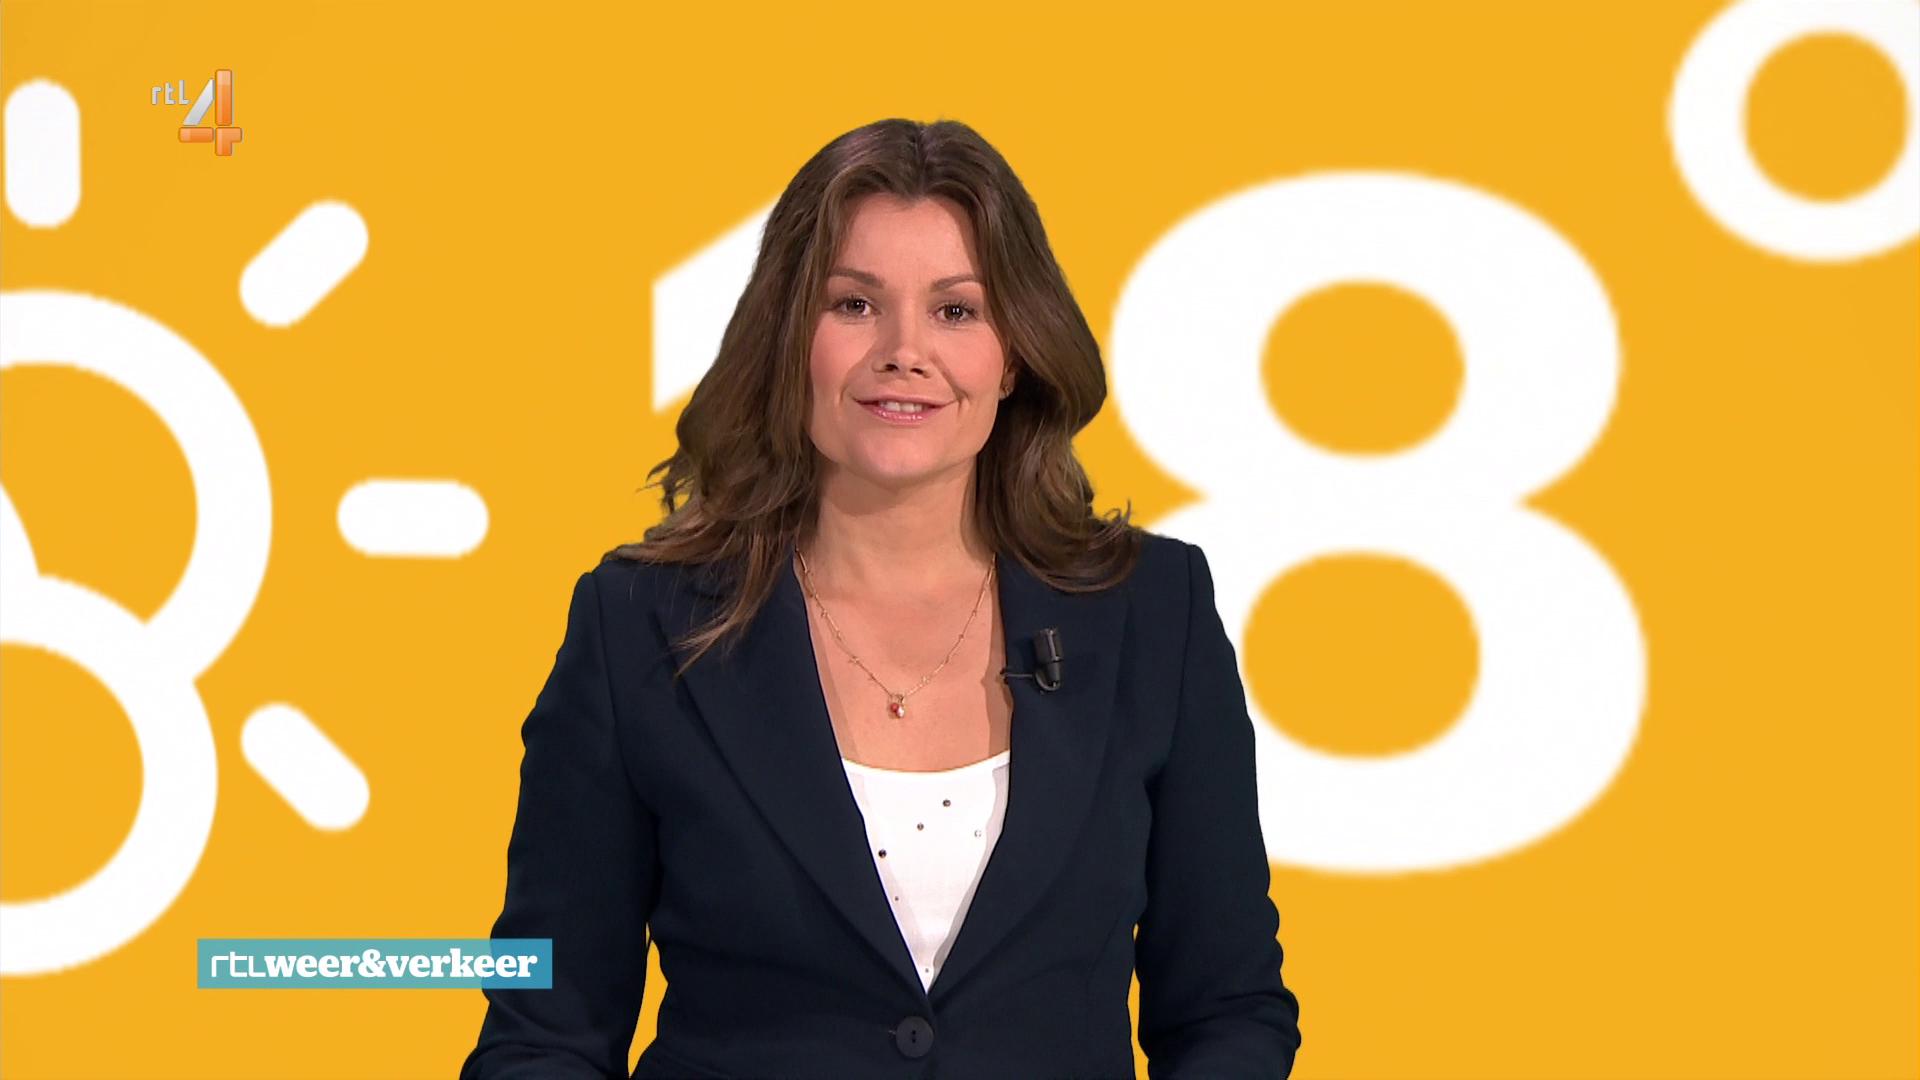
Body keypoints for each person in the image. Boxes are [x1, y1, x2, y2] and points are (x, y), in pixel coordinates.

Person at [460, 117, 1302, 1079]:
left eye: (956, 311)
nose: (905, 351)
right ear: (790, 339)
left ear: (1015, 354)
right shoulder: (639, 626)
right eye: (854, 304)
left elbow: (1228, 1011)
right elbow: (546, 1034)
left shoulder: (1153, 611)